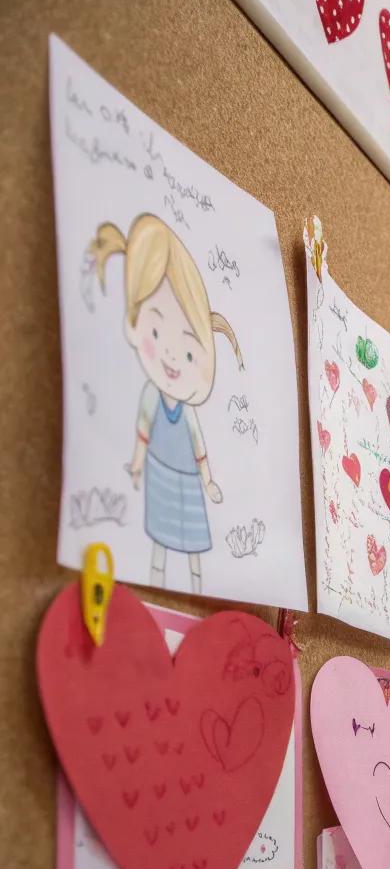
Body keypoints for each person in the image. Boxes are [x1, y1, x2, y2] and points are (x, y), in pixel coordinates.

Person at [88, 213, 243, 594]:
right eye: (156, 330)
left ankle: (194, 582)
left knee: (191, 544)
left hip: (187, 480)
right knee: (158, 536)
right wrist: (137, 467)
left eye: (190, 354)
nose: (173, 356)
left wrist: (208, 482)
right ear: (135, 320)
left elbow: (199, 447)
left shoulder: (188, 411)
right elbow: (142, 431)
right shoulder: (150, 395)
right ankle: (156, 581)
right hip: (159, 472)